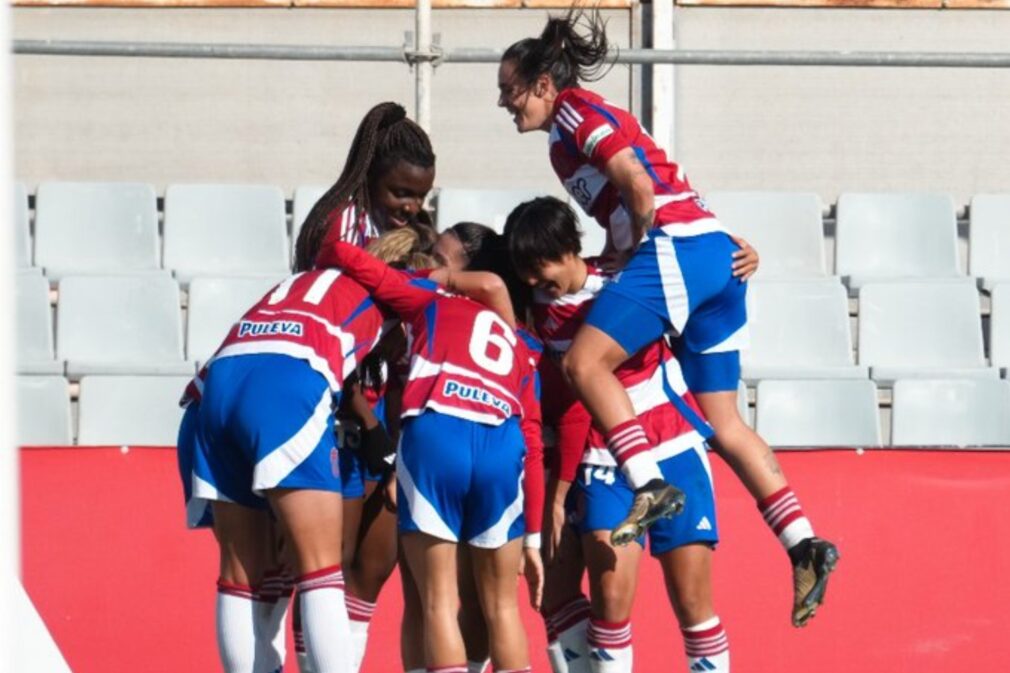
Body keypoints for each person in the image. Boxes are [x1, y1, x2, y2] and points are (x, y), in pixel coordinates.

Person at [497, 11, 839, 626]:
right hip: (707, 250)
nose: (503, 102)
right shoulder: (563, 136)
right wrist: (709, 246)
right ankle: (803, 542)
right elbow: (658, 189)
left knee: (583, 363)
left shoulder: (574, 111)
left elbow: (638, 185)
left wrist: (635, 257)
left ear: (545, 84)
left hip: (676, 247)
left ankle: (647, 485)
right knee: (723, 421)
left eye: (510, 90)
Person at [176, 245, 435, 673]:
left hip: (215, 386)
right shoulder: (397, 285)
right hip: (289, 379)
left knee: (238, 577)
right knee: (320, 572)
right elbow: (467, 285)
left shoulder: (300, 282)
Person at [509, 197, 730, 672]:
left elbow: (698, 260)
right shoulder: (531, 303)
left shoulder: (627, 281)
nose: (532, 279)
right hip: (601, 458)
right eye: (523, 269)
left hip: (672, 447)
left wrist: (741, 255)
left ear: (569, 247)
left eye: (539, 265)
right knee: (610, 600)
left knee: (692, 602)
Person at [316, 238, 543, 673]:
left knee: (435, 600)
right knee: (503, 608)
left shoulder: (434, 301)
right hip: (501, 439)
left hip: (438, 428)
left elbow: (358, 262)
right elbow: (531, 441)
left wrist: (324, 248)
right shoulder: (525, 347)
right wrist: (532, 535)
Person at [294, 101, 436, 272]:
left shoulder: (413, 229)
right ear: (370, 176)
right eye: (401, 193)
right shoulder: (345, 225)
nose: (412, 207)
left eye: (422, 196)